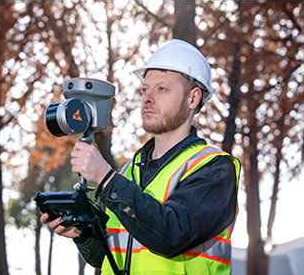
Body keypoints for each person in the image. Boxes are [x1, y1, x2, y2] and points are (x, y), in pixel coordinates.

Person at [41, 39, 240, 274]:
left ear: (193, 98)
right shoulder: (129, 172)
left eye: (161, 89)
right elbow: (110, 257)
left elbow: (171, 235)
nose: (147, 98)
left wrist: (106, 179)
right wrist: (84, 235)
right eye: (145, 89)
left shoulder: (214, 169)